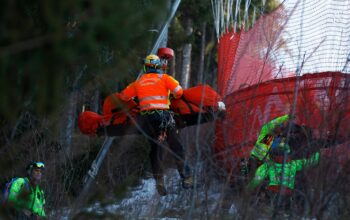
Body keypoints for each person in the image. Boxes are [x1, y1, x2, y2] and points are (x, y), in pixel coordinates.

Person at [120, 54, 192, 196]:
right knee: (176, 146)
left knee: (155, 150)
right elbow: (179, 92)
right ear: (158, 66)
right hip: (163, 117)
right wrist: (168, 94)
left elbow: (123, 96)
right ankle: (187, 178)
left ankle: (159, 181)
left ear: (146, 67)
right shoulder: (165, 78)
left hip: (147, 120)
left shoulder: (139, 82)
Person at [247, 143, 319, 211]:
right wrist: (319, 153)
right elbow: (311, 162)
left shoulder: (267, 166)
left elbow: (256, 180)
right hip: (287, 197)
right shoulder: (293, 164)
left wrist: (246, 190)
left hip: (272, 196)